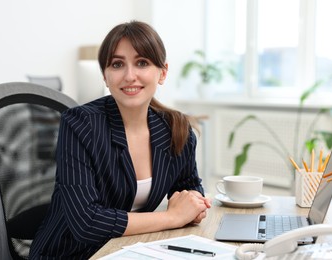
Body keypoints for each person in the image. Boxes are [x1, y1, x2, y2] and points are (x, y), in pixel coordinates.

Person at [29, 20, 211, 259]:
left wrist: (194, 207)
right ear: (105, 75)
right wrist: (172, 217)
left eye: (142, 62)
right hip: (68, 253)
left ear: (162, 73)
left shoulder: (177, 128)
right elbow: (87, 223)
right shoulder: (79, 124)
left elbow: (188, 187)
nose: (129, 76)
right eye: (117, 64)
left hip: (130, 249)